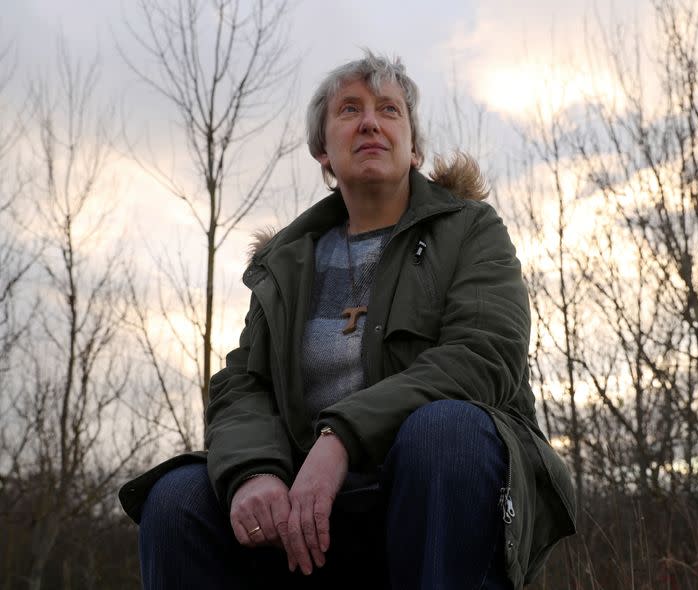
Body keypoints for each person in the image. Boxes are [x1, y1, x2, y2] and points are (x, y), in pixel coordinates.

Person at [119, 50, 576, 589]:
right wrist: (254, 472)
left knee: (446, 431)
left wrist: (340, 439)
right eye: (349, 110)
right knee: (177, 498)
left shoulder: (471, 231)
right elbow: (243, 384)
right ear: (323, 152)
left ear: (414, 149)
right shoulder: (284, 266)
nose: (369, 122)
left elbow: (484, 356)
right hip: (308, 517)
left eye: (389, 109)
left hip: (432, 500)